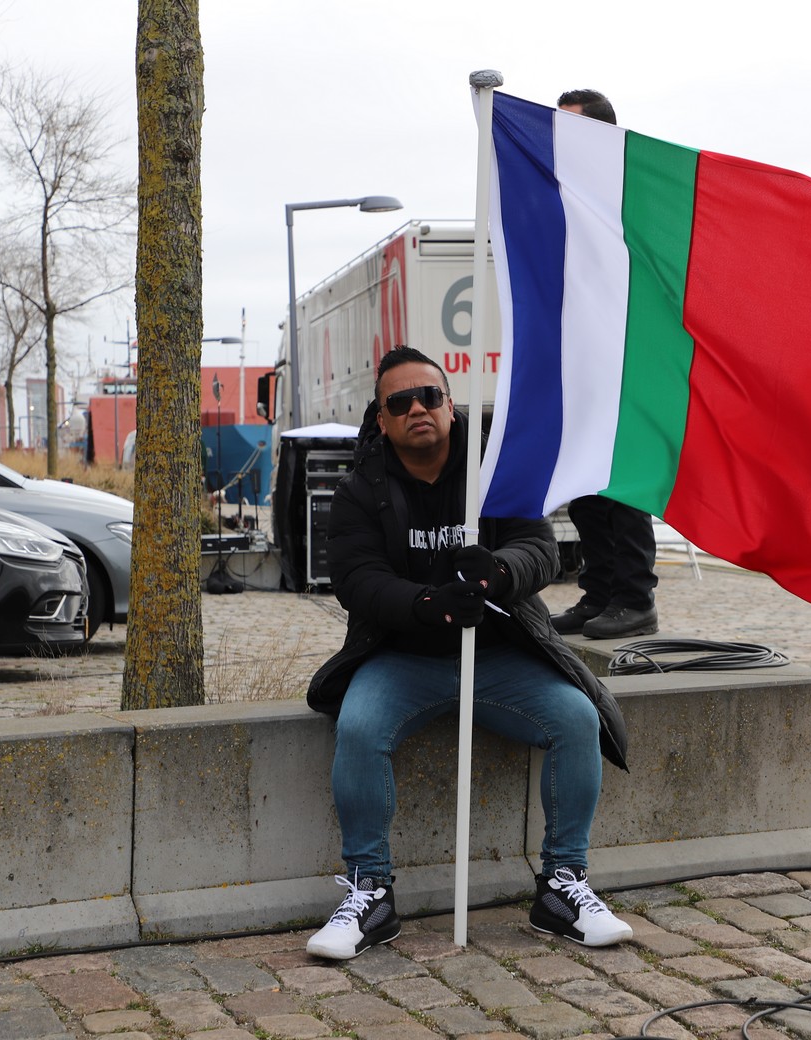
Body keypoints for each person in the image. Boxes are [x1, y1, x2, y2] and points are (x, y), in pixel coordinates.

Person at [303, 346, 634, 960]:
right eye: (400, 402)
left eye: (429, 396)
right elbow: (357, 580)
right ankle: (370, 893)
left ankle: (562, 887)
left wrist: (497, 574)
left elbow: (540, 549)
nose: (417, 409)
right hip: (402, 656)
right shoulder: (359, 490)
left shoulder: (496, 469)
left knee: (576, 719)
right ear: (382, 420)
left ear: (450, 405)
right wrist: (428, 604)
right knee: (360, 727)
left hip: (498, 653)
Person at [550, 88, 661, 642]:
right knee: (587, 484)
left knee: (624, 483)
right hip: (585, 357)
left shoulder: (629, 189)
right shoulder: (568, 191)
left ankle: (635, 599)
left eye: (568, 127)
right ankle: (599, 595)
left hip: (628, 359)